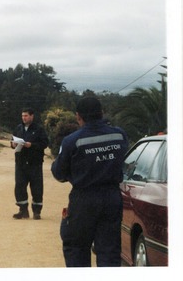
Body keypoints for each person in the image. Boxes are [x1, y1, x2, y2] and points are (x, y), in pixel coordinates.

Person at [51, 96, 128, 267]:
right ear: (101, 113)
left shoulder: (72, 141)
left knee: (77, 249)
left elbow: (59, 174)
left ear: (78, 116)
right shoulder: (119, 135)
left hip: (84, 200)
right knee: (109, 252)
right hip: (112, 198)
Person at [10, 107, 49, 219]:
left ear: (32, 116)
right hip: (20, 163)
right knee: (20, 186)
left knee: (37, 187)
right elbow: (12, 140)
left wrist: (31, 145)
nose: (24, 118)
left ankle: (37, 211)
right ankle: (23, 210)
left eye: (26, 116)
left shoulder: (39, 129)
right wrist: (13, 144)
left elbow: (45, 143)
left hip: (34, 163)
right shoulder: (18, 128)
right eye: (22, 116)